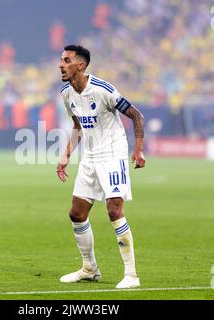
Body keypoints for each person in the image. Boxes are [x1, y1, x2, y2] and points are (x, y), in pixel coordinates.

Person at [56, 45, 146, 289]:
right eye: (61, 60)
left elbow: (136, 115)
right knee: (76, 213)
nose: (61, 64)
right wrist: (65, 156)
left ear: (80, 66)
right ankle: (89, 268)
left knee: (114, 210)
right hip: (91, 155)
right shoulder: (66, 92)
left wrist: (137, 149)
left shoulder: (102, 89)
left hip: (113, 153)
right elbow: (77, 125)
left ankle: (131, 275)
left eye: (66, 60)